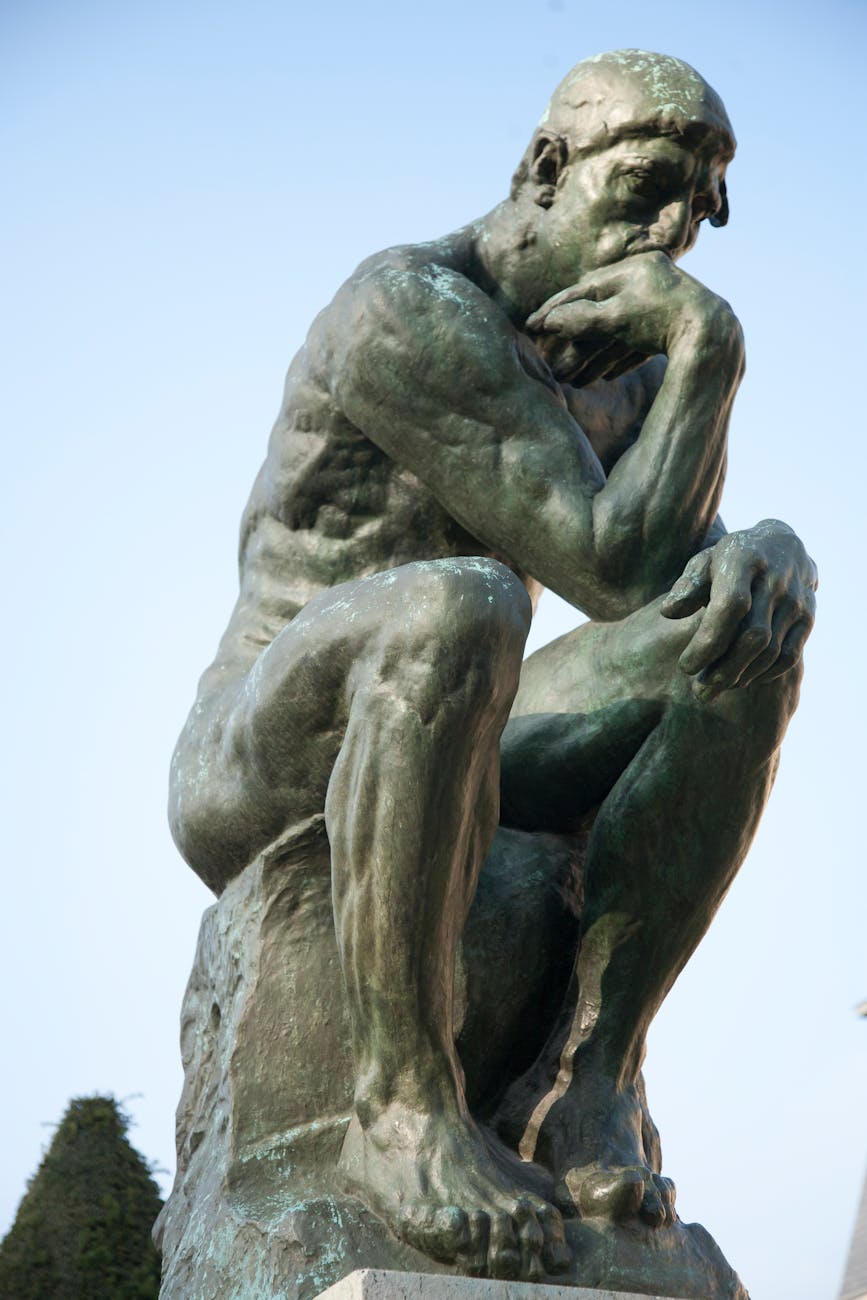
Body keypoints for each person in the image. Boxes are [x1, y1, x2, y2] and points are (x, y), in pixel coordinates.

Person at [169, 49, 816, 1281]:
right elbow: (613, 565)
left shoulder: (629, 362)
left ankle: (586, 1086)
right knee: (461, 607)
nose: (672, 235)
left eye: (698, 213)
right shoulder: (407, 308)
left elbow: (680, 584)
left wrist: (770, 557)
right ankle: (402, 1111)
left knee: (744, 630)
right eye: (644, 191)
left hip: (474, 710)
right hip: (270, 742)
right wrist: (710, 349)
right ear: (544, 167)